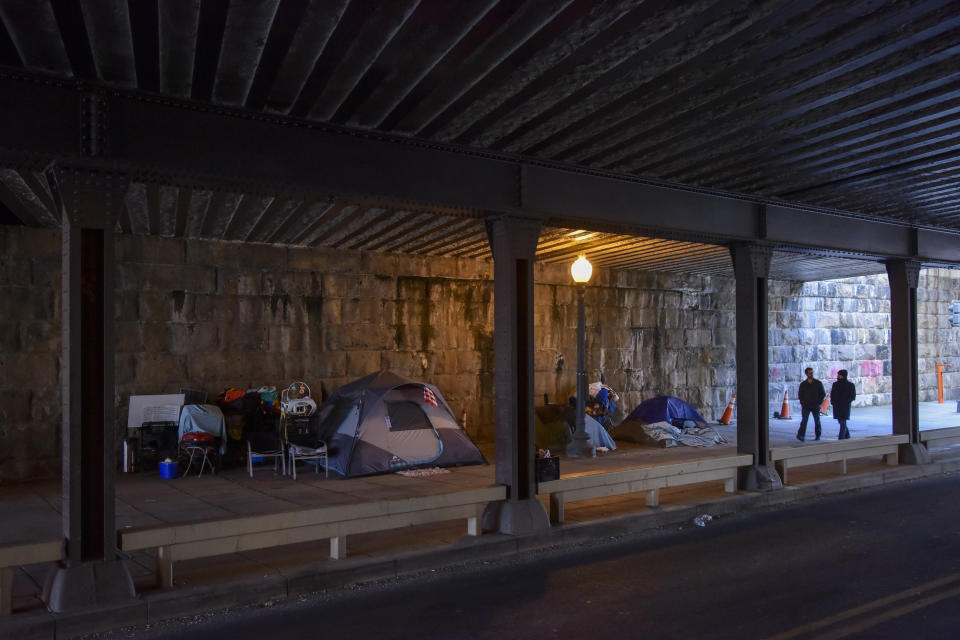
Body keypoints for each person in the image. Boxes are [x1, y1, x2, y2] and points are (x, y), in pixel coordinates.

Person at [797, 367, 825, 441]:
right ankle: (801, 435)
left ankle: (818, 435)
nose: (811, 374)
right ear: (806, 374)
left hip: (815, 405)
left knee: (817, 421)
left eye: (812, 372)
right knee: (804, 420)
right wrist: (802, 402)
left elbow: (822, 394)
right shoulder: (803, 384)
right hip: (806, 405)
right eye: (809, 373)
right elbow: (800, 395)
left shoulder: (818, 383)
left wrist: (819, 402)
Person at [831, 369, 856, 439]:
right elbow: (832, 394)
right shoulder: (835, 384)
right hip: (838, 406)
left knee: (842, 421)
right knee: (841, 421)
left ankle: (841, 437)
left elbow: (852, 396)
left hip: (844, 406)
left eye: (839, 375)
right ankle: (847, 435)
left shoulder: (850, 385)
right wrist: (833, 402)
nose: (838, 376)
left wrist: (846, 401)